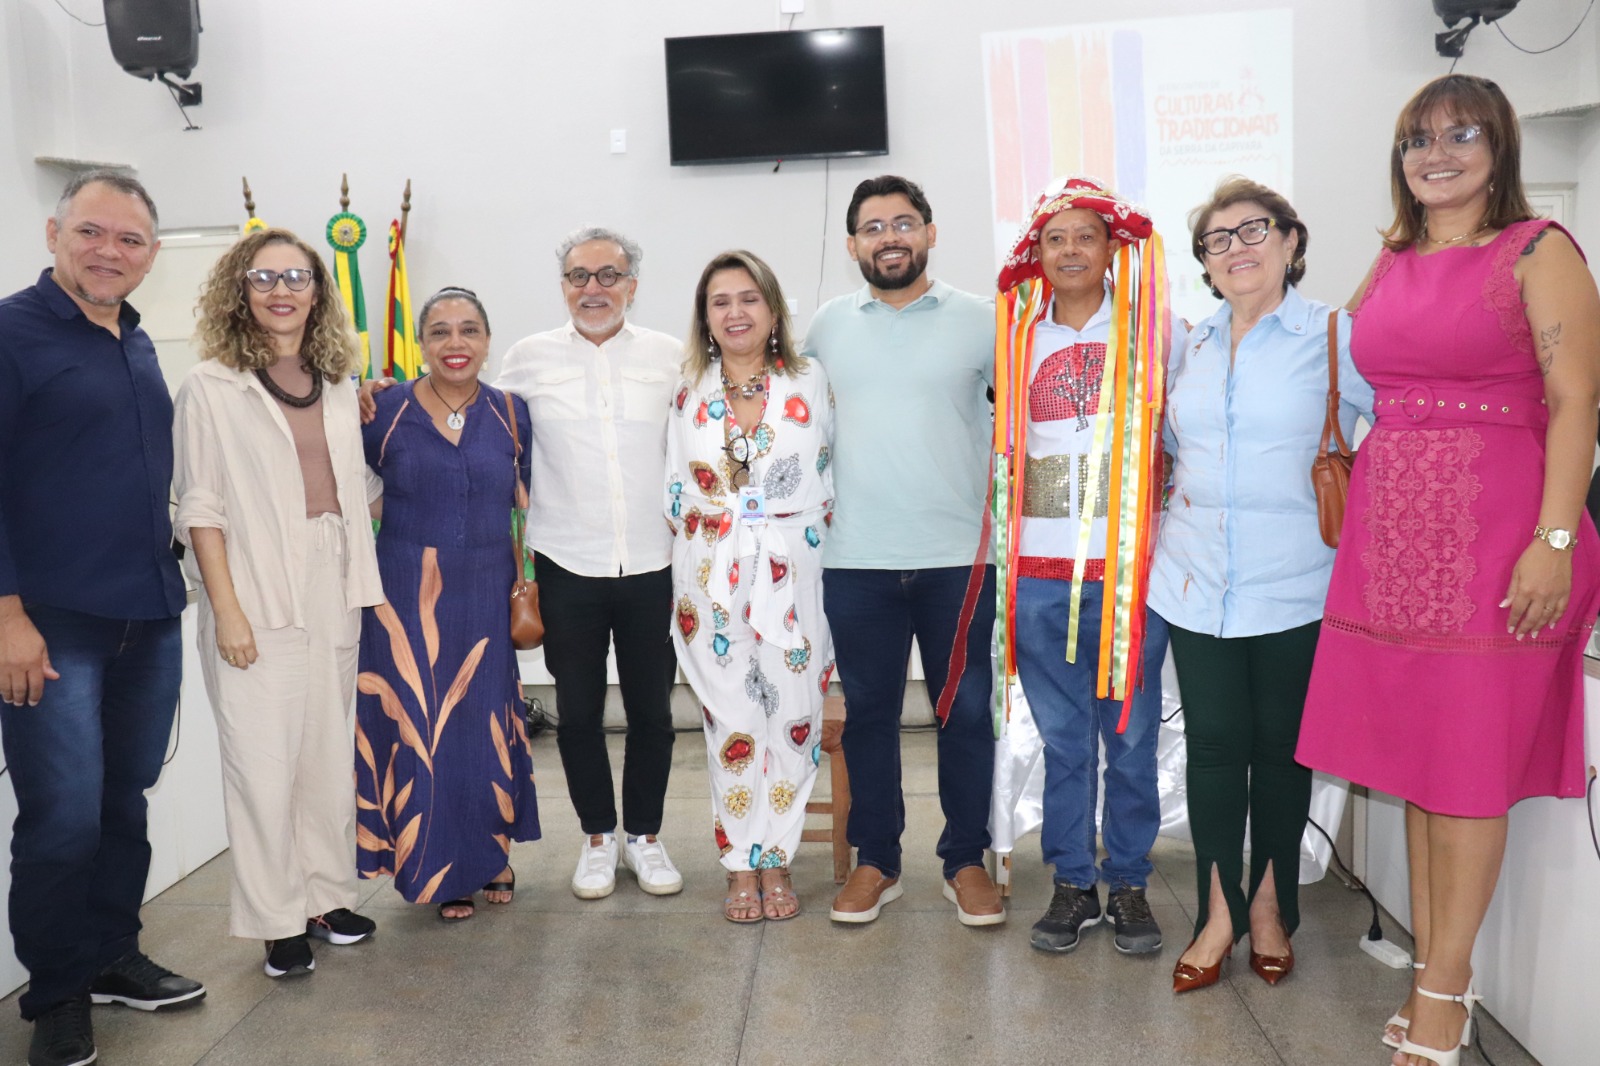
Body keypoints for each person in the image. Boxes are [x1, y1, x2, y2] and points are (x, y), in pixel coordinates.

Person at [1296, 75, 1600, 1066]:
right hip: (1393, 535)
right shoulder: (1390, 258)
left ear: (1499, 147)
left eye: (1460, 133)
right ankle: (1440, 963)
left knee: (1465, 766)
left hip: (1501, 532)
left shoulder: (1539, 251)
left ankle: (1444, 988)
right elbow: (1352, 357)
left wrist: (1554, 540)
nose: (1437, 151)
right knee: (1418, 768)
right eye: (1417, 137)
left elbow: (1577, 401)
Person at [361, 227, 682, 900]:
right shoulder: (527, 362)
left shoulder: (673, 357)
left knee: (653, 710)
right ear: (562, 285)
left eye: (606, 275)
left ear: (632, 284)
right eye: (577, 276)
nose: (591, 288)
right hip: (565, 563)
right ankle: (597, 837)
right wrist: (378, 389)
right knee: (580, 709)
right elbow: (464, 407)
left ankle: (644, 837)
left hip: (655, 561)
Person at [1146, 177, 1373, 995]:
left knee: (1280, 748)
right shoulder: (1188, 347)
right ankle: (1217, 912)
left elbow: (1390, 439)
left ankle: (1272, 909)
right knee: (1211, 749)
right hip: (1195, 579)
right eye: (1217, 240)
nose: (1236, 249)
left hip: (1298, 585)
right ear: (1204, 264)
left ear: (1290, 242)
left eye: (1253, 232)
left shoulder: (1336, 338)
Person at [0, 170, 205, 1066]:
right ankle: (55, 995)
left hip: (146, 616)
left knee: (125, 800)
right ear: (54, 234)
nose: (109, 251)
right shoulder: (9, 333)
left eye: (129, 240)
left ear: (150, 256)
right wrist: (5, 613)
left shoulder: (135, 340)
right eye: (92, 232)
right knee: (62, 816)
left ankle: (113, 956)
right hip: (51, 623)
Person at [174, 227, 385, 979]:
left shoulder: (334, 380)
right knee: (263, 763)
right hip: (254, 585)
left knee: (327, 754)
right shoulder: (210, 385)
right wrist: (224, 609)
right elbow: (199, 505)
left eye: (297, 277)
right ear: (240, 290)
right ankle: (274, 917)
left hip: (334, 576)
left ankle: (326, 895)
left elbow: (355, 488)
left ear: (318, 292)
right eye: (264, 279)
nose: (282, 290)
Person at [801, 175, 1004, 926]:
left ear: (930, 232)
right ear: (853, 243)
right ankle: (876, 860)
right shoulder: (825, 326)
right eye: (874, 227)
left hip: (958, 557)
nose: (891, 237)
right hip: (855, 559)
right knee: (870, 716)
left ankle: (966, 860)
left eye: (904, 223)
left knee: (967, 711)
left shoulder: (981, 322)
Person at [992, 176, 1182, 956]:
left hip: (1129, 573)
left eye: (1084, 235)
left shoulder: (1157, 331)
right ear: (1037, 254)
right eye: (1054, 238)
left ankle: (1131, 881)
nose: (1069, 249)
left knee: (1131, 737)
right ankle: (1073, 880)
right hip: (1039, 572)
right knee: (1066, 740)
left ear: (1112, 249)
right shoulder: (1014, 334)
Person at [357, 287, 541, 921]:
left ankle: (490, 856)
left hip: (488, 590)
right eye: (439, 332)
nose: (454, 343)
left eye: (468, 330)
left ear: (488, 340)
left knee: (481, 727)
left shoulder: (513, 413)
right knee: (419, 726)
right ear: (420, 343)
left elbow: (527, 500)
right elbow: (344, 483)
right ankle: (437, 866)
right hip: (404, 591)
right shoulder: (382, 410)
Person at [666, 251, 835, 922]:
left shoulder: (811, 378)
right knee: (733, 722)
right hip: (708, 577)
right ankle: (740, 862)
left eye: (748, 299)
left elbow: (833, 476)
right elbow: (673, 488)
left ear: (772, 312)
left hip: (795, 572)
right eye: (720, 302)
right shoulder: (685, 387)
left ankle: (778, 859)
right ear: (705, 318)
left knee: (793, 721)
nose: (735, 312)